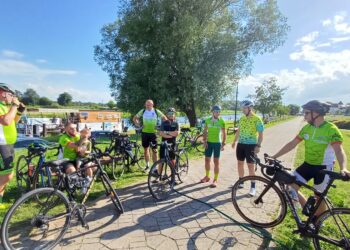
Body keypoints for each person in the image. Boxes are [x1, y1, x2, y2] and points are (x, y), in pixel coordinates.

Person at [271, 100, 350, 219]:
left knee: (319, 197)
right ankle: (307, 210)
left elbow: (339, 150)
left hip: (323, 168)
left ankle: (318, 221)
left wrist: (344, 168)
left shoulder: (331, 129)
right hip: (307, 165)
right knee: (290, 187)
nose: (304, 115)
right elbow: (292, 144)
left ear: (316, 113)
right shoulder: (307, 128)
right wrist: (274, 156)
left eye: (306, 113)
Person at [0, 83, 25, 209]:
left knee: (5, 175)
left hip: (8, 145)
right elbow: (6, 121)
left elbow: (13, 122)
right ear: (3, 93)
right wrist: (15, 105)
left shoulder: (5, 106)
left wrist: (19, 111)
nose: (12, 97)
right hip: (1, 145)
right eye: (11, 94)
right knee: (6, 176)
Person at [232, 100, 264, 196]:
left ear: (250, 108)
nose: (243, 110)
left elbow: (261, 135)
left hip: (251, 145)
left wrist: (258, 146)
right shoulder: (242, 119)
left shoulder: (257, 119)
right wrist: (234, 141)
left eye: (244, 108)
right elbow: (238, 131)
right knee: (239, 163)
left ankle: (253, 186)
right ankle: (241, 182)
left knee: (250, 166)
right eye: (242, 108)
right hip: (241, 144)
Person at [133, 100, 166, 170]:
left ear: (152, 105)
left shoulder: (156, 111)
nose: (148, 106)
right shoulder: (143, 111)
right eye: (147, 105)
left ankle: (155, 167)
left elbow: (165, 119)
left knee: (155, 150)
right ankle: (147, 165)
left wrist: (160, 127)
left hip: (154, 133)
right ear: (145, 105)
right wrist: (139, 125)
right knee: (146, 149)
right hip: (144, 133)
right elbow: (135, 118)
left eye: (150, 105)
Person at [201, 105, 226, 188]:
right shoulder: (207, 120)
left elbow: (224, 133)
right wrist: (204, 141)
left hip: (217, 143)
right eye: (216, 111)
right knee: (207, 160)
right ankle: (207, 176)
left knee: (216, 161)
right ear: (213, 112)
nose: (218, 113)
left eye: (219, 111)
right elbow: (205, 131)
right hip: (209, 142)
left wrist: (223, 143)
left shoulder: (222, 121)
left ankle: (215, 180)